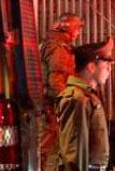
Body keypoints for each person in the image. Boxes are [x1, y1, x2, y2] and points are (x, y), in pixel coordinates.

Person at [56, 37, 114, 171]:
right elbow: (74, 153)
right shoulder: (77, 99)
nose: (109, 70)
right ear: (91, 67)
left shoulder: (86, 97)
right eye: (106, 65)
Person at [39, 13, 84, 171]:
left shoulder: (50, 43)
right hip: (51, 113)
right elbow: (56, 82)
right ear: (67, 27)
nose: (78, 33)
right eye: (77, 28)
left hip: (48, 111)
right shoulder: (59, 48)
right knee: (48, 157)